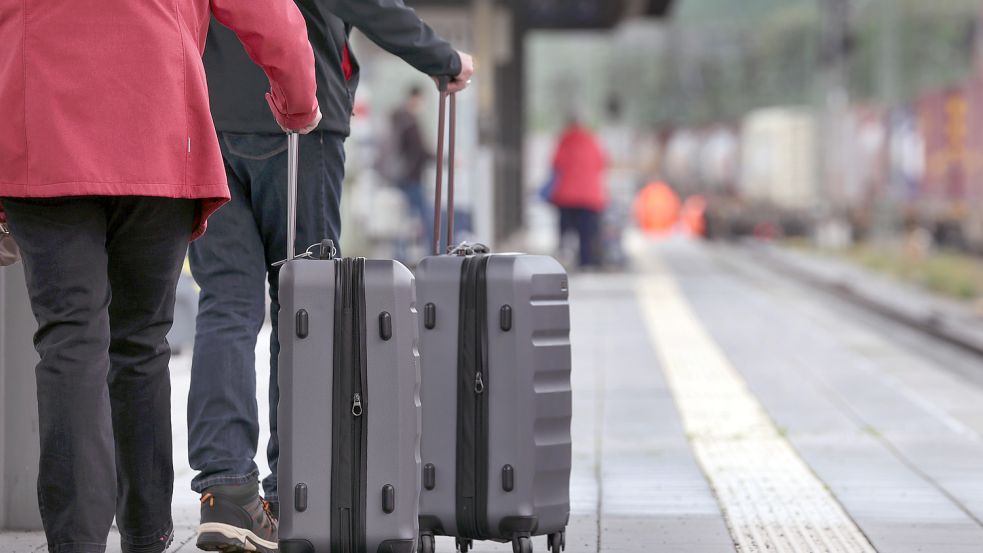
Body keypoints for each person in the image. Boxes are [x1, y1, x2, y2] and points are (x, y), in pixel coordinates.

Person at [0, 1, 320, 552]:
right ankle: (147, 535)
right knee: (141, 342)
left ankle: (75, 542)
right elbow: (271, 15)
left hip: (42, 128)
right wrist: (297, 102)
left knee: (70, 340)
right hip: (158, 126)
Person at [189, 2, 474, 551]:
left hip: (208, 122)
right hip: (297, 120)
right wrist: (443, 59)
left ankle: (225, 492)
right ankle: (299, 490)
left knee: (225, 302)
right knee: (307, 309)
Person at [550, 116, 609, 268]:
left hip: (567, 196)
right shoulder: (593, 140)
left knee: (565, 231)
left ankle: (563, 259)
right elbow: (602, 162)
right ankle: (586, 262)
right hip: (590, 197)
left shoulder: (564, 140)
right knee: (587, 233)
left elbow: (556, 163)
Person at [389, 85, 436, 257]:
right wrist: (443, 159)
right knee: (427, 217)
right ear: (415, 98)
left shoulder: (398, 119)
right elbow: (420, 150)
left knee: (405, 219)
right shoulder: (410, 122)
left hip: (402, 176)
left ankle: (399, 255)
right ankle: (433, 254)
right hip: (412, 177)